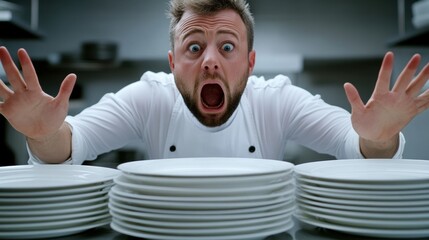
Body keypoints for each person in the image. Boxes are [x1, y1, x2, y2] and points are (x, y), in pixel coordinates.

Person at [0, 0, 428, 165]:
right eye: (193, 48)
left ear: (249, 62)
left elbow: (353, 141)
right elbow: (74, 142)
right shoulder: (149, 97)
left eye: (227, 47)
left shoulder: (275, 100)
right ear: (172, 63)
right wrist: (44, 136)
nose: (209, 62)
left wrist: (378, 139)